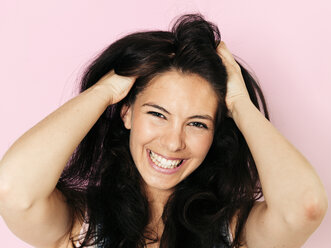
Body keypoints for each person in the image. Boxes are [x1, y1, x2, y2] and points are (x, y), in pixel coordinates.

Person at [0, 13, 328, 248]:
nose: (173, 142)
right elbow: (14, 191)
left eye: (198, 123)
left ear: (217, 134)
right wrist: (107, 91)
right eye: (158, 114)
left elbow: (304, 207)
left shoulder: (236, 231)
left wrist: (240, 102)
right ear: (125, 112)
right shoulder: (79, 225)